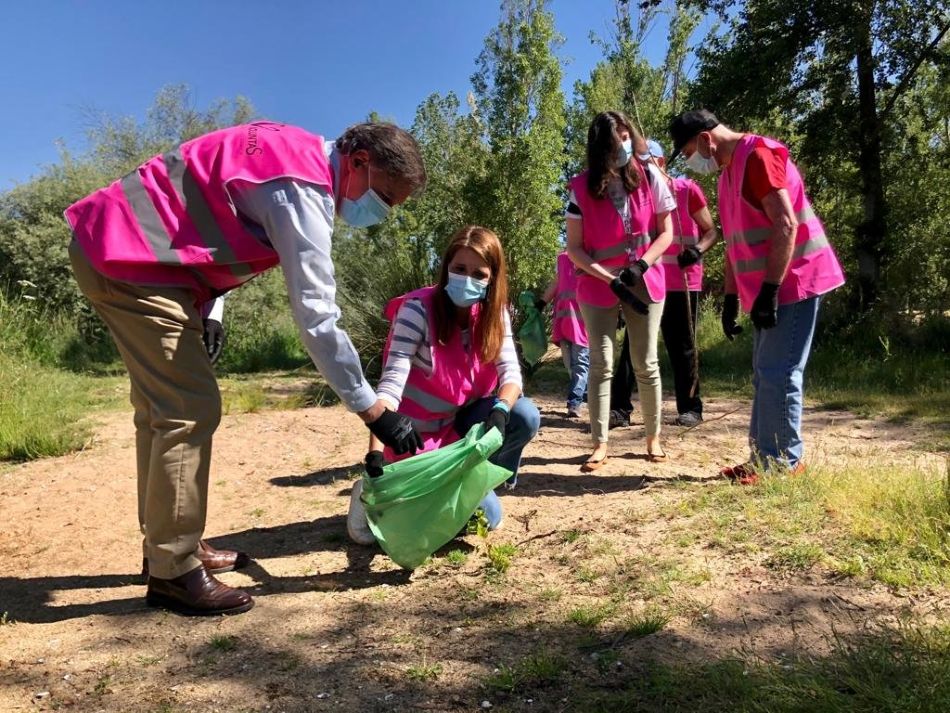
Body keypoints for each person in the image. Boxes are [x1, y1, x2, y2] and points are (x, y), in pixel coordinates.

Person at [66, 120, 427, 615]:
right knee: (186, 408)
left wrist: (211, 309)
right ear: (359, 160)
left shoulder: (287, 150)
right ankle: (173, 571)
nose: (380, 212)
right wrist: (371, 410)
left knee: (159, 409)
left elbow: (202, 213)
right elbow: (318, 319)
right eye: (384, 197)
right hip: (130, 260)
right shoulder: (302, 191)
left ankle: (172, 546)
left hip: (128, 251)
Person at [669, 109, 845, 484]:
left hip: (796, 280)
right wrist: (732, 298)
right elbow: (735, 242)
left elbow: (786, 224)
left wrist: (768, 291)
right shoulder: (727, 173)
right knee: (765, 373)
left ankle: (783, 462)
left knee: (780, 372)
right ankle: (764, 456)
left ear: (705, 140)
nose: (690, 162)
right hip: (769, 288)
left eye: (687, 153)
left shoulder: (758, 156)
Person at [347, 226, 541, 545]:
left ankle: (470, 484)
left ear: (492, 277)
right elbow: (390, 385)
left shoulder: (496, 315)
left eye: (478, 273)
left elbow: (511, 375)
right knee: (439, 523)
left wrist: (500, 410)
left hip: (460, 426)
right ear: (446, 268)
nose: (467, 279)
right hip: (413, 434)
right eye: (459, 269)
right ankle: (369, 493)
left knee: (524, 417)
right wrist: (375, 455)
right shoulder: (417, 311)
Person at [566, 111, 675, 472]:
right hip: (598, 287)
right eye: (615, 141)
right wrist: (608, 277)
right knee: (601, 363)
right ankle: (599, 443)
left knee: (646, 362)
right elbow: (575, 250)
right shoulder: (579, 189)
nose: (623, 146)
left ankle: (653, 438)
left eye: (627, 137)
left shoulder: (650, 177)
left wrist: (641, 265)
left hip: (644, 281)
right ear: (600, 148)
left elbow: (666, 232)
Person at [643, 138, 720, 427]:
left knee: (683, 347)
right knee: (635, 350)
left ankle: (691, 408)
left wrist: (697, 250)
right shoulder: (636, 198)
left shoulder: (687, 190)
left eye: (645, 161)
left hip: (682, 282)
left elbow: (711, 231)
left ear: (661, 162)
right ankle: (620, 409)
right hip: (648, 283)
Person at [537, 250, 589, 418]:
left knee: (580, 362)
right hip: (566, 321)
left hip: (583, 322)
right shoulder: (563, 257)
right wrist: (542, 302)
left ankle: (575, 402)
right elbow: (558, 281)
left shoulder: (588, 254)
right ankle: (585, 393)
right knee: (571, 363)